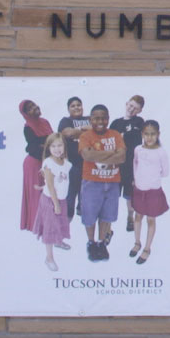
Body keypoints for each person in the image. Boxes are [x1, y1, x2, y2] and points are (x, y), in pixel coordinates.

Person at [76, 103, 126, 261]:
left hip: (112, 182)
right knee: (89, 216)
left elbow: (122, 157)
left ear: (108, 119)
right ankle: (91, 243)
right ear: (91, 119)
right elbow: (87, 156)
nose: (100, 121)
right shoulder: (86, 136)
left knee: (107, 216)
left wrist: (97, 153)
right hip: (92, 182)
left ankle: (101, 243)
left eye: (104, 118)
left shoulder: (116, 135)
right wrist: (112, 153)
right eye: (96, 118)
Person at [128, 119, 170, 266]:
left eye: (153, 134)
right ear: (142, 134)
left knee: (150, 220)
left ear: (158, 134)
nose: (149, 137)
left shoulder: (161, 152)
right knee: (138, 217)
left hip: (153, 192)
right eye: (146, 134)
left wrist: (151, 178)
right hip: (139, 189)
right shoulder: (138, 149)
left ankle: (147, 248)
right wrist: (136, 180)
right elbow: (135, 164)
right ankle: (137, 242)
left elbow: (165, 172)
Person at [32, 133, 74, 270]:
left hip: (61, 199)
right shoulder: (49, 163)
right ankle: (49, 258)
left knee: (61, 222)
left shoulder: (66, 163)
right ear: (49, 148)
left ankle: (59, 241)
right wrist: (55, 204)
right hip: (51, 201)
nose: (57, 149)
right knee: (50, 226)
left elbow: (58, 182)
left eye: (60, 145)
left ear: (64, 146)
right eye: (53, 146)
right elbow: (50, 185)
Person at [111, 95, 146, 234]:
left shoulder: (139, 121)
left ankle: (130, 217)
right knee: (113, 194)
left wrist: (123, 136)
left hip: (132, 164)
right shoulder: (115, 123)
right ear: (126, 104)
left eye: (135, 108)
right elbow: (110, 140)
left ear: (140, 111)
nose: (131, 109)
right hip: (116, 164)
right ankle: (108, 227)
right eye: (130, 106)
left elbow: (137, 137)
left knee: (129, 194)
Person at [18, 100, 51, 232]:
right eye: (29, 108)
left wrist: (46, 147)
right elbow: (34, 148)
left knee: (48, 194)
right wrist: (47, 147)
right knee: (37, 195)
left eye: (33, 105)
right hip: (34, 165)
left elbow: (52, 141)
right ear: (26, 114)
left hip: (47, 162)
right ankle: (37, 225)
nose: (34, 108)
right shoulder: (28, 127)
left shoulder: (45, 122)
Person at [55, 96, 86, 220]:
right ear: (68, 109)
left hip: (89, 163)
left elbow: (96, 130)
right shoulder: (65, 120)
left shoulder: (89, 119)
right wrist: (85, 131)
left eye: (79, 104)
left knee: (85, 195)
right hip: (71, 164)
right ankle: (66, 222)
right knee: (70, 195)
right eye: (73, 106)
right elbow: (68, 133)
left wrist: (76, 131)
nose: (76, 107)